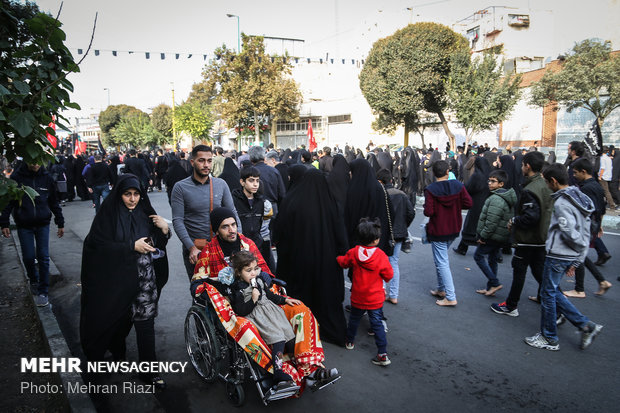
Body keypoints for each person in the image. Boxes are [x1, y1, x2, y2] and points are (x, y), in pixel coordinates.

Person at [191, 207, 339, 387]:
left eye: (233, 225)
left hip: (264, 298)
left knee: (300, 310)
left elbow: (265, 271)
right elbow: (197, 283)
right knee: (248, 327)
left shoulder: (247, 244)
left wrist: (279, 294)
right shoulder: (209, 251)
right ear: (216, 230)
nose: (231, 230)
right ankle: (275, 371)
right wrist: (218, 288)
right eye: (225, 227)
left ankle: (310, 368)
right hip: (236, 306)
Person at [80, 174, 170, 388]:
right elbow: (96, 246)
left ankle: (149, 371)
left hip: (144, 279)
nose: (132, 199)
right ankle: (114, 353)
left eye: (136, 194)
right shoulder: (107, 215)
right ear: (119, 194)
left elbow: (156, 242)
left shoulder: (145, 213)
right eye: (127, 194)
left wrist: (165, 230)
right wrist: (130, 246)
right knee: (116, 321)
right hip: (116, 281)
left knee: (145, 324)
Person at [524, 163, 603, 351]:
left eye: (546, 182)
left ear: (553, 181)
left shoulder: (561, 203)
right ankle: (585, 325)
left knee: (548, 294)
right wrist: (579, 257)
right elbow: (585, 231)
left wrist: (576, 252)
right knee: (551, 291)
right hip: (569, 254)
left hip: (559, 253)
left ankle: (549, 337)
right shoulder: (580, 198)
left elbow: (570, 232)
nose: (546, 186)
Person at [273, 169, 349, 345]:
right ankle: (329, 330)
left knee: (300, 297)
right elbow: (340, 232)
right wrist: (342, 252)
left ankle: (300, 330)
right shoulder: (331, 202)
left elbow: (280, 231)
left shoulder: (291, 200)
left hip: (297, 261)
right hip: (326, 261)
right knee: (325, 295)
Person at [491, 152, 553, 317]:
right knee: (541, 275)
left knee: (520, 271)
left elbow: (531, 216)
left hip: (528, 239)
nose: (521, 167)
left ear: (528, 166)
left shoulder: (531, 189)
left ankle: (511, 305)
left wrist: (514, 221)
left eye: (523, 164)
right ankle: (560, 308)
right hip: (540, 237)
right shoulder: (544, 184)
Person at [229, 250, 301, 387]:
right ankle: (278, 372)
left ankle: (298, 364)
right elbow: (241, 310)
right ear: (238, 272)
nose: (253, 273)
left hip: (272, 312)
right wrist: (253, 300)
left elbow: (270, 295)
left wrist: (284, 300)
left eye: (255, 269)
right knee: (278, 338)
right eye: (248, 270)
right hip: (258, 316)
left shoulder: (259, 280)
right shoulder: (238, 288)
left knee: (290, 336)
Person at [171, 145, 240, 280]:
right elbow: (177, 220)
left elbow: (233, 213)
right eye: (201, 160)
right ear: (192, 162)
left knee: (227, 291)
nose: (206, 165)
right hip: (196, 249)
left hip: (221, 247)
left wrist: (239, 241)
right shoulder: (180, 187)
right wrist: (191, 247)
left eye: (209, 161)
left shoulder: (221, 184)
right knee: (200, 293)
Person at [1, 162, 65, 307]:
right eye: (32, 161)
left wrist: (60, 222)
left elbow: (54, 201)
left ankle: (43, 290)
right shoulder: (17, 177)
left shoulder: (46, 178)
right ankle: (34, 280)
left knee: (43, 256)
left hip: (43, 223)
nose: (35, 164)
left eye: (38, 162)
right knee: (29, 257)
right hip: (24, 225)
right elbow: (9, 201)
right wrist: (4, 222)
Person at [338, 218, 393, 366]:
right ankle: (382, 353)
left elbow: (343, 262)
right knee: (377, 324)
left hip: (358, 296)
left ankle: (349, 341)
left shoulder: (354, 252)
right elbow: (389, 275)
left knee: (354, 319)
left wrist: (337, 258)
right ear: (375, 240)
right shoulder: (381, 255)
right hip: (375, 298)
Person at [423, 160, 472, 306]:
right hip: (454, 228)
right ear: (447, 171)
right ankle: (441, 289)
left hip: (438, 229)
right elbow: (468, 203)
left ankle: (450, 296)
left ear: (434, 173)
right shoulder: (458, 185)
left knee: (442, 261)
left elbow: (429, 211)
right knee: (441, 260)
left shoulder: (431, 189)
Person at [564, 158, 612, 297]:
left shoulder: (585, 188)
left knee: (579, 254)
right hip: (594, 223)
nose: (573, 175)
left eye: (575, 172)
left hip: (586, 225)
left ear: (583, 172)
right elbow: (601, 208)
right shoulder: (596, 185)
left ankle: (580, 289)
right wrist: (599, 225)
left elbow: (585, 210)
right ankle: (601, 281)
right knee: (581, 255)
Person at [473, 170, 516, 297]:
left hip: (493, 235)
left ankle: (494, 282)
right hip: (500, 235)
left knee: (478, 256)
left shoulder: (496, 199)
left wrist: (483, 236)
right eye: (489, 180)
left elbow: (491, 221)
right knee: (492, 259)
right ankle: (491, 287)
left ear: (501, 184)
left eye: (493, 181)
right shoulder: (503, 196)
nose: (489, 183)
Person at [376, 169, 415, 304]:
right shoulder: (402, 194)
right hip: (398, 234)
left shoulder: (380, 194)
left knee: (380, 263)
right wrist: (404, 226)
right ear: (391, 180)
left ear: (380, 181)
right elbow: (411, 213)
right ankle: (394, 295)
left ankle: (381, 293)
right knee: (393, 263)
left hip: (383, 234)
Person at [231, 166, 275, 271]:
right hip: (239, 247)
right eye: (251, 180)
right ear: (242, 182)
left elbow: (264, 227)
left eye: (257, 181)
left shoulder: (262, 203)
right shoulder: (234, 201)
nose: (255, 184)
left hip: (257, 246)